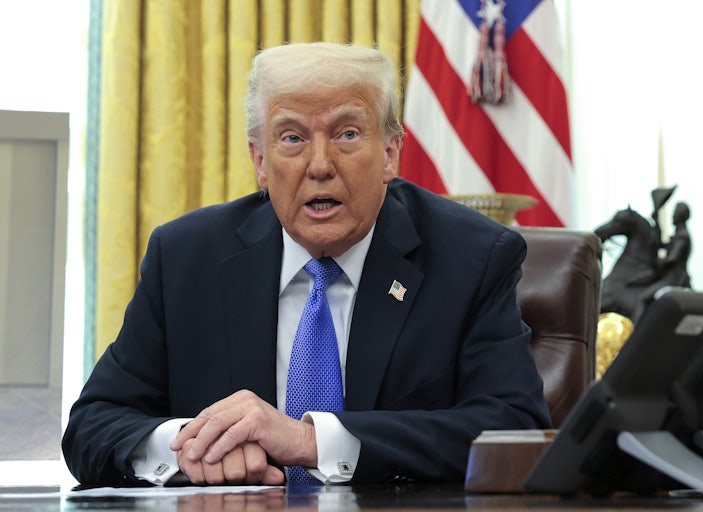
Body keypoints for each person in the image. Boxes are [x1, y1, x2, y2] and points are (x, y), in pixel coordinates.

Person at [62, 42, 551, 487]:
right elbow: (92, 425)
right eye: (292, 138)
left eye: (347, 133)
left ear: (389, 153)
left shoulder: (471, 257)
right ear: (259, 161)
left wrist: (311, 441)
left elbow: (515, 429)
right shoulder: (187, 257)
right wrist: (193, 445)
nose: (319, 164)